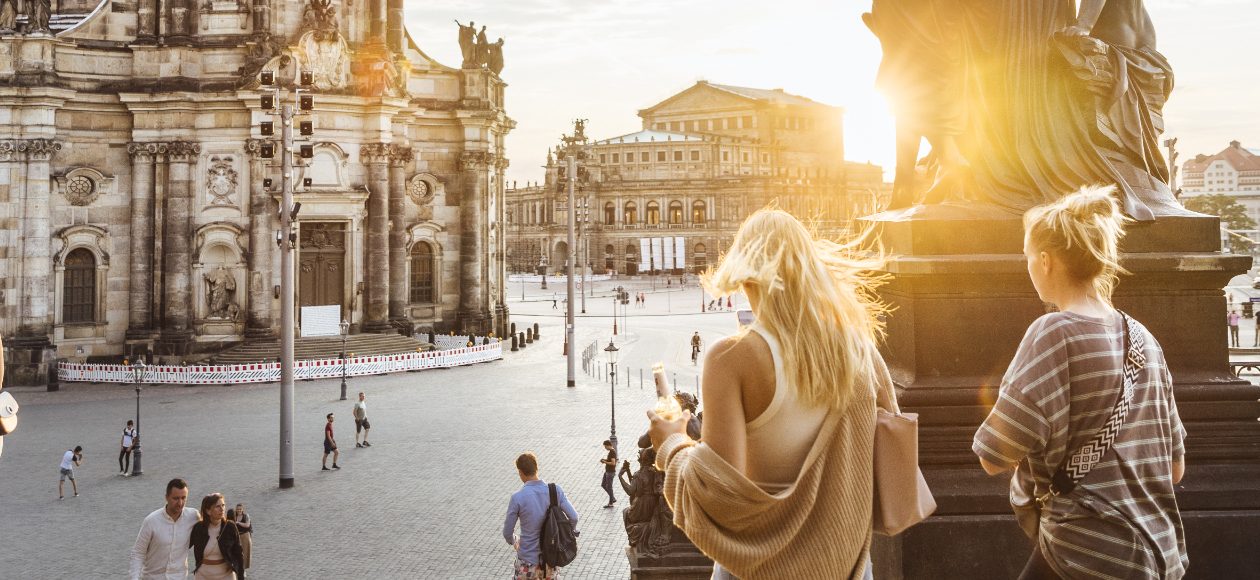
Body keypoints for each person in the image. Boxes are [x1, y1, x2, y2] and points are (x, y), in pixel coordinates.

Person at [646, 208, 889, 579]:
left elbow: (719, 498)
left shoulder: (733, 357)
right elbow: (887, 448)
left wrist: (673, 445)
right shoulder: (860, 350)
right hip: (847, 566)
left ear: (747, 277)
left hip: (755, 570)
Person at [973, 186, 1188, 579]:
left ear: (1045, 261)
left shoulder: (1054, 334)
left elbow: (993, 456)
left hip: (1088, 551)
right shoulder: (1144, 338)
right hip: (1156, 552)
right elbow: (1175, 469)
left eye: (1027, 258)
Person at [503, 452, 578, 580]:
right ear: (536, 468)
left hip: (527, 561)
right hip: (550, 561)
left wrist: (515, 541)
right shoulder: (555, 491)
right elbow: (574, 517)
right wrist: (565, 533)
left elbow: (507, 532)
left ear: (520, 472)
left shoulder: (517, 498)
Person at [130, 478, 200, 580]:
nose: (180, 503)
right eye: (176, 498)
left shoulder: (193, 516)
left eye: (183, 498)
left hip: (179, 577)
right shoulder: (151, 521)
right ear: (166, 497)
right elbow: (138, 553)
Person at [189, 493, 244, 579]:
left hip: (227, 576)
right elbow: (184, 546)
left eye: (223, 505)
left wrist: (241, 577)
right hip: (203, 576)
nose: (222, 509)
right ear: (208, 511)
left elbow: (239, 554)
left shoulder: (230, 527)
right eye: (217, 506)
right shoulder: (199, 528)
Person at [226, 504, 252, 575]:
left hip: (245, 536)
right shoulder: (234, 516)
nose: (239, 510)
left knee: (245, 553)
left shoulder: (246, 516)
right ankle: (238, 568)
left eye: (240, 509)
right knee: (237, 553)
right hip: (237, 536)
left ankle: (243, 570)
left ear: (242, 509)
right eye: (238, 509)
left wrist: (238, 523)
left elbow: (247, 525)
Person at [599, 440, 617, 508]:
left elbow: (613, 463)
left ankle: (611, 503)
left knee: (609, 487)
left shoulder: (612, 452)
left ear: (608, 445)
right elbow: (610, 461)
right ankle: (613, 498)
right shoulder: (611, 452)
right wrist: (605, 460)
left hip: (610, 472)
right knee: (603, 484)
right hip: (607, 471)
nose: (605, 448)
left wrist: (605, 462)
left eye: (605, 446)